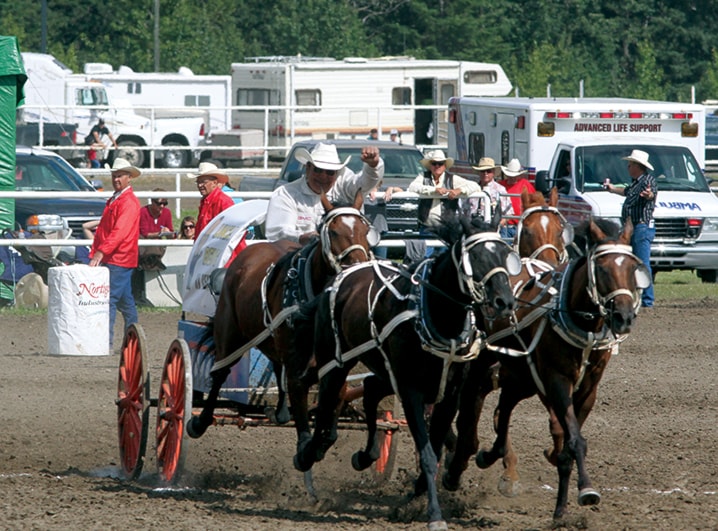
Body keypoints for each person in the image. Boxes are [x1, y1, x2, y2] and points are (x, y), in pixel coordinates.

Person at [265, 142, 383, 243]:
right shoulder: (286, 194)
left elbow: (364, 184)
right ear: (308, 167)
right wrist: (303, 237)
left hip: (343, 256)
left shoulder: (344, 182)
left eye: (330, 172)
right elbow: (278, 231)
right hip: (297, 255)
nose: (323, 176)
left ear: (337, 173)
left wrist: (373, 166)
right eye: (318, 170)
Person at [89, 157, 141, 351]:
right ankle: (132, 342)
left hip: (118, 258)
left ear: (128, 178)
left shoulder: (125, 202)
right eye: (114, 175)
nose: (116, 179)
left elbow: (118, 232)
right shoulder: (119, 199)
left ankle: (106, 343)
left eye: (119, 176)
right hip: (120, 258)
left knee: (108, 300)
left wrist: (99, 253)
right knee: (125, 302)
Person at [604, 149, 657, 308]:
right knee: (635, 262)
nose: (628, 167)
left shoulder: (648, 181)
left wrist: (649, 196)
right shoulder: (636, 182)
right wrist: (612, 189)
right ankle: (640, 295)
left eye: (630, 164)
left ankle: (647, 300)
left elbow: (651, 194)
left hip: (641, 227)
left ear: (638, 166)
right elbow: (626, 191)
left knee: (642, 263)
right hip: (634, 227)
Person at [408, 149, 481, 232]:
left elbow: (475, 186)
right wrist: (434, 190)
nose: (437, 166)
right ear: (430, 165)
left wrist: (459, 190)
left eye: (440, 163)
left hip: (446, 229)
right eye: (434, 163)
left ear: (444, 166)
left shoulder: (452, 179)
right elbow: (413, 186)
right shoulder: (423, 176)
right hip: (426, 226)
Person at [188, 162, 235, 239]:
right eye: (198, 182)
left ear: (214, 183)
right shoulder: (206, 201)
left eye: (204, 182)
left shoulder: (224, 201)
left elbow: (230, 229)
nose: (200, 185)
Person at [472, 157, 514, 237]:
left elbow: (509, 214)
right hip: (474, 229)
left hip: (496, 230)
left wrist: (497, 226)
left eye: (488, 171)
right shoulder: (472, 189)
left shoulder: (500, 190)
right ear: (479, 172)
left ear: (493, 172)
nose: (485, 173)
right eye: (482, 171)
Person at [501, 158, 535, 238]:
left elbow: (533, 202)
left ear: (519, 175)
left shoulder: (525, 185)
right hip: (506, 226)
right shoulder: (500, 186)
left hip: (522, 225)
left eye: (515, 176)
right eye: (510, 175)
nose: (512, 177)